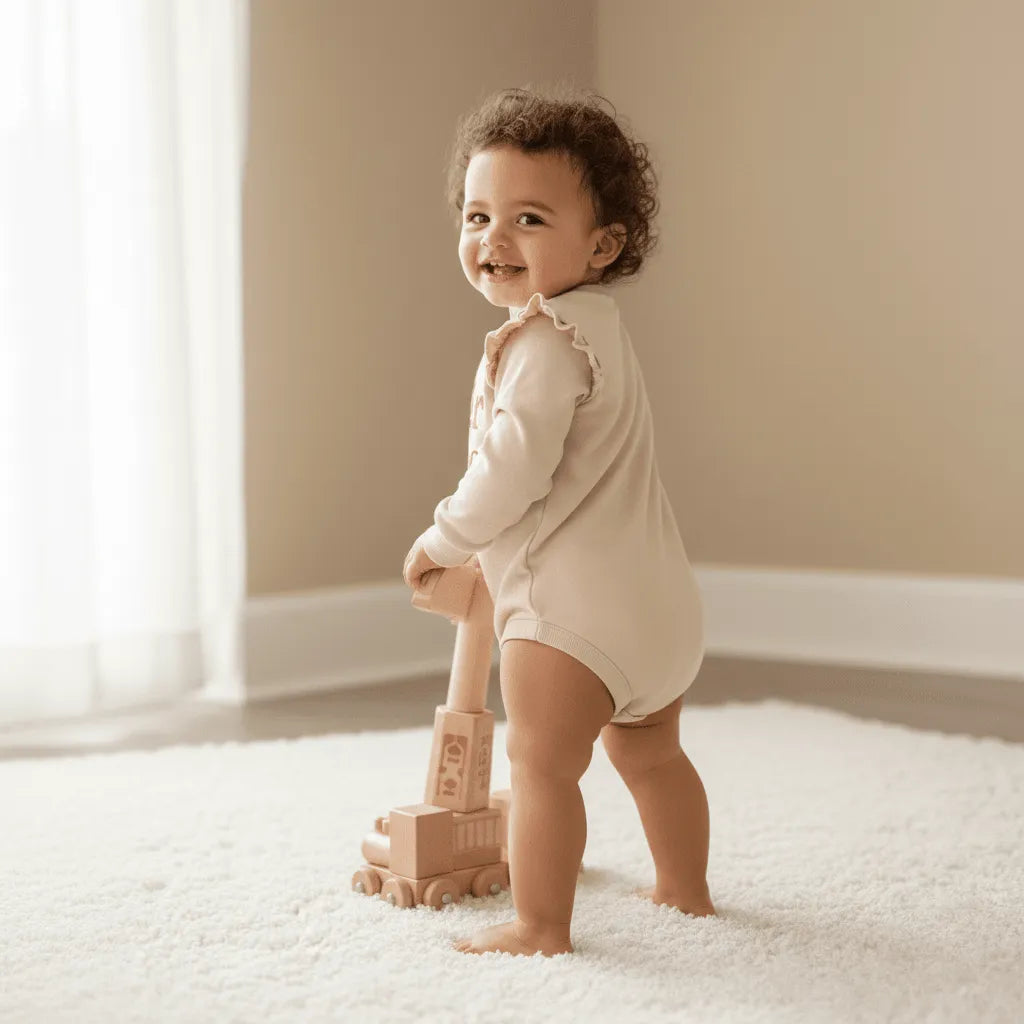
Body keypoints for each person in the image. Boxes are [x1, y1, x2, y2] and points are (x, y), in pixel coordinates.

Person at [402, 84, 715, 957]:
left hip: (571, 621)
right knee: (653, 757)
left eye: (529, 219)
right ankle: (684, 891)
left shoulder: (540, 341)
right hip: (662, 610)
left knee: (540, 768)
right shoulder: (600, 332)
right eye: (477, 215)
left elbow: (512, 468)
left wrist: (442, 539)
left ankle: (541, 926)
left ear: (602, 242)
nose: (492, 240)